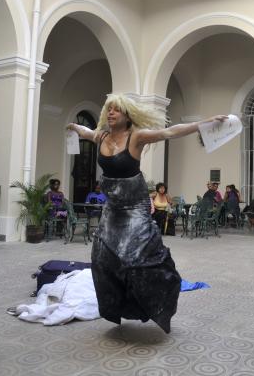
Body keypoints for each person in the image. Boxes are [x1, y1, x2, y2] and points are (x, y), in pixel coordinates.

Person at [67, 93, 226, 333]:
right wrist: (74, 126)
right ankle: (117, 307)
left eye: (116, 110)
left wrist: (204, 123)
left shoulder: (136, 137)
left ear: (127, 115)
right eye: (108, 109)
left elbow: (170, 132)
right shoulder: (101, 137)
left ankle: (159, 300)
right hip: (113, 208)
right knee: (101, 257)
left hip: (135, 207)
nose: (110, 113)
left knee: (136, 259)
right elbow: (84, 132)